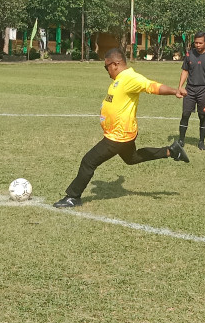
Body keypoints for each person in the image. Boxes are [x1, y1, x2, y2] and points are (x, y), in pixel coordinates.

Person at [54, 48, 189, 208]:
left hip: (118, 135)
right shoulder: (119, 79)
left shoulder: (130, 78)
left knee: (88, 161)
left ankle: (73, 197)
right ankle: (172, 150)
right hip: (120, 132)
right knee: (132, 158)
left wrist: (175, 91)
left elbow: (151, 86)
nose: (106, 70)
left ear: (116, 64)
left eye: (107, 67)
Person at [176, 31, 205, 150]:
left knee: (202, 115)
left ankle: (201, 141)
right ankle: (181, 139)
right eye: (196, 43)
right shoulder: (189, 54)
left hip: (204, 89)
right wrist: (180, 86)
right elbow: (185, 71)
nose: (198, 45)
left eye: (200, 43)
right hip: (190, 89)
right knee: (185, 114)